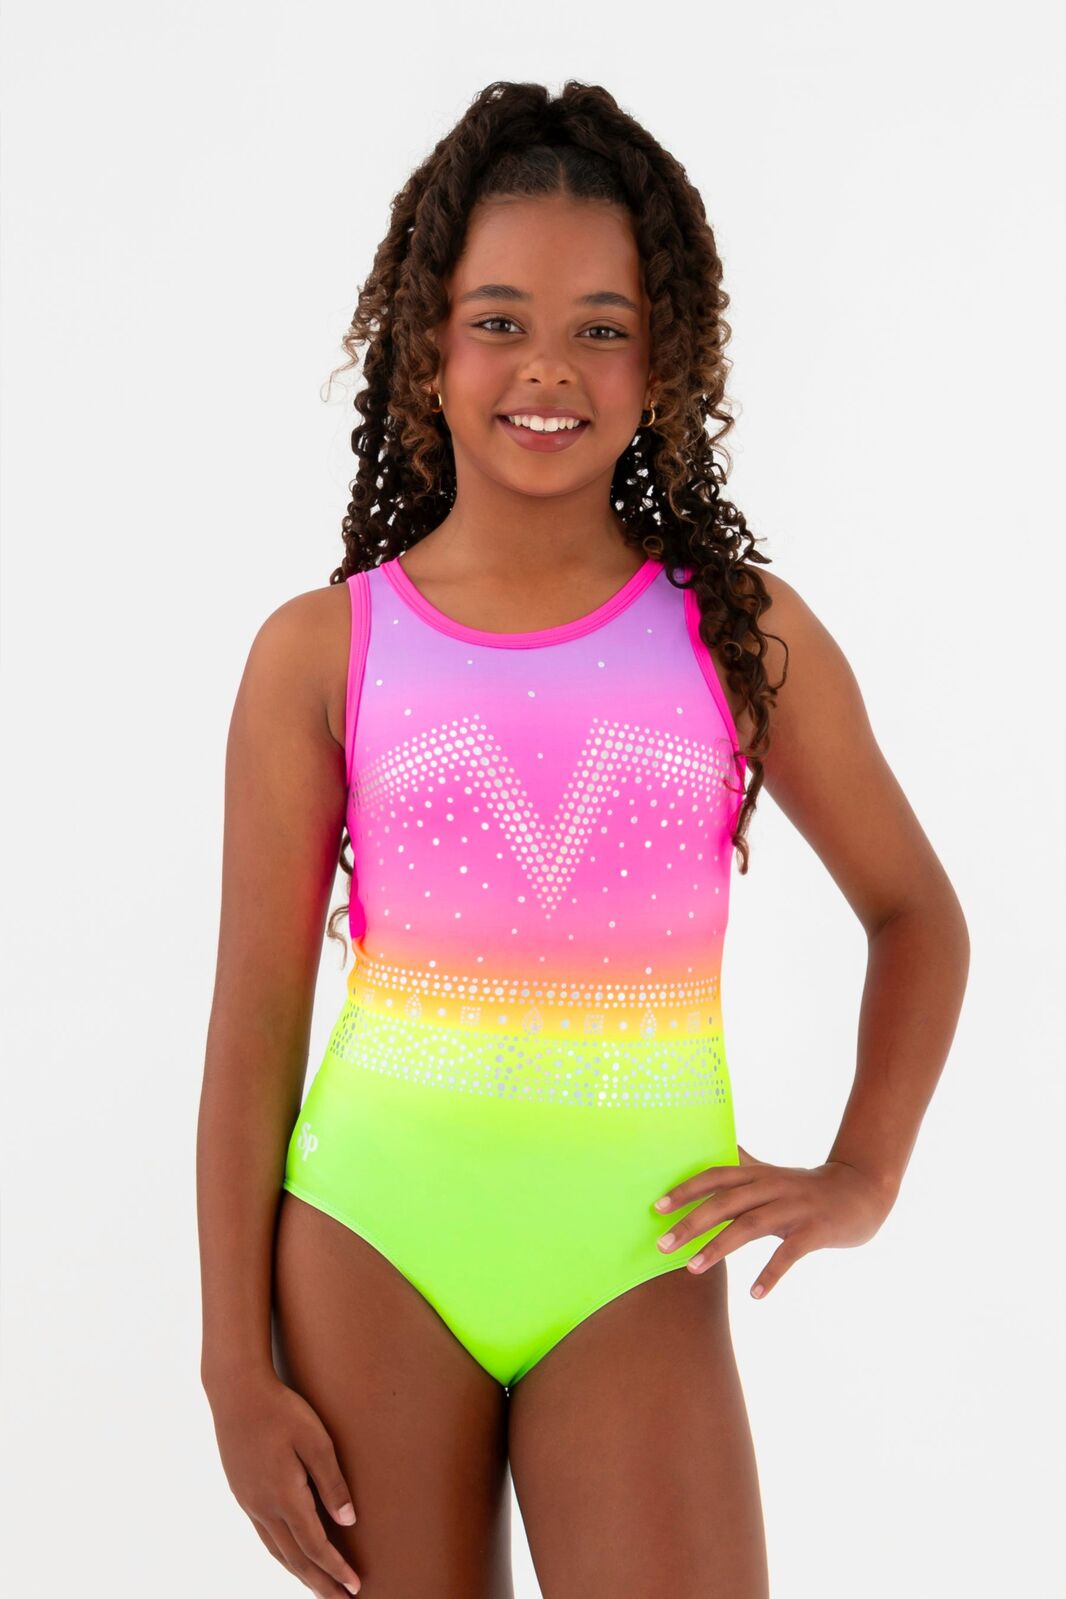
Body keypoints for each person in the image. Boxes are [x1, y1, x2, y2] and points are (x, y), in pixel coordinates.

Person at [196, 79, 970, 1599]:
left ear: (663, 361)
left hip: (635, 1255)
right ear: (424, 346)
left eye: (600, 327)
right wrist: (233, 1365)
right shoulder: (319, 652)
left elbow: (915, 914)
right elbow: (254, 1030)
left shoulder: (741, 638)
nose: (546, 367)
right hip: (371, 1243)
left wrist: (864, 1174)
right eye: (498, 320)